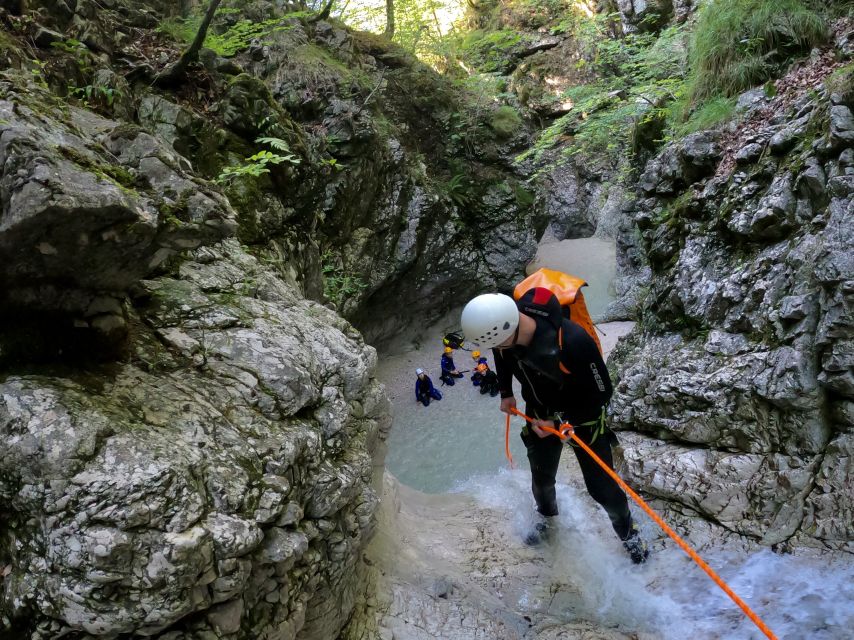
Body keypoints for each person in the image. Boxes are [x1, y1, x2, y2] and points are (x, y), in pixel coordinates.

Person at [460, 290, 649, 563]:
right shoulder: (505, 332)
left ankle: (629, 535)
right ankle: (548, 521)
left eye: (499, 344)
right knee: (542, 480)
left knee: (602, 489)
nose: (499, 351)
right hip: (539, 411)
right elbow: (501, 354)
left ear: (509, 328)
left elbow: (602, 392)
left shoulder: (573, 341)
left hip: (582, 417)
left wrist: (559, 422)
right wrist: (505, 392)